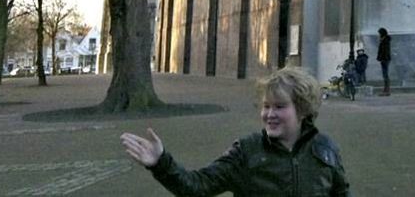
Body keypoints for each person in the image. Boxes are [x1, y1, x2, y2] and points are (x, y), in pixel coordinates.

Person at [120, 67, 350, 196]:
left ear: (302, 109)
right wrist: (161, 163)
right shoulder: (247, 152)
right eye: (266, 106)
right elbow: (197, 186)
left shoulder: (324, 149)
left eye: (279, 107)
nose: (269, 114)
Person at [376, 27, 391, 96]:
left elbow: (384, 51)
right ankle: (386, 89)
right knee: (385, 75)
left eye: (379, 33)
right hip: (385, 59)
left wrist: (381, 58)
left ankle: (386, 90)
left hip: (385, 59)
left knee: (385, 75)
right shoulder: (384, 40)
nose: (378, 35)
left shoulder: (385, 41)